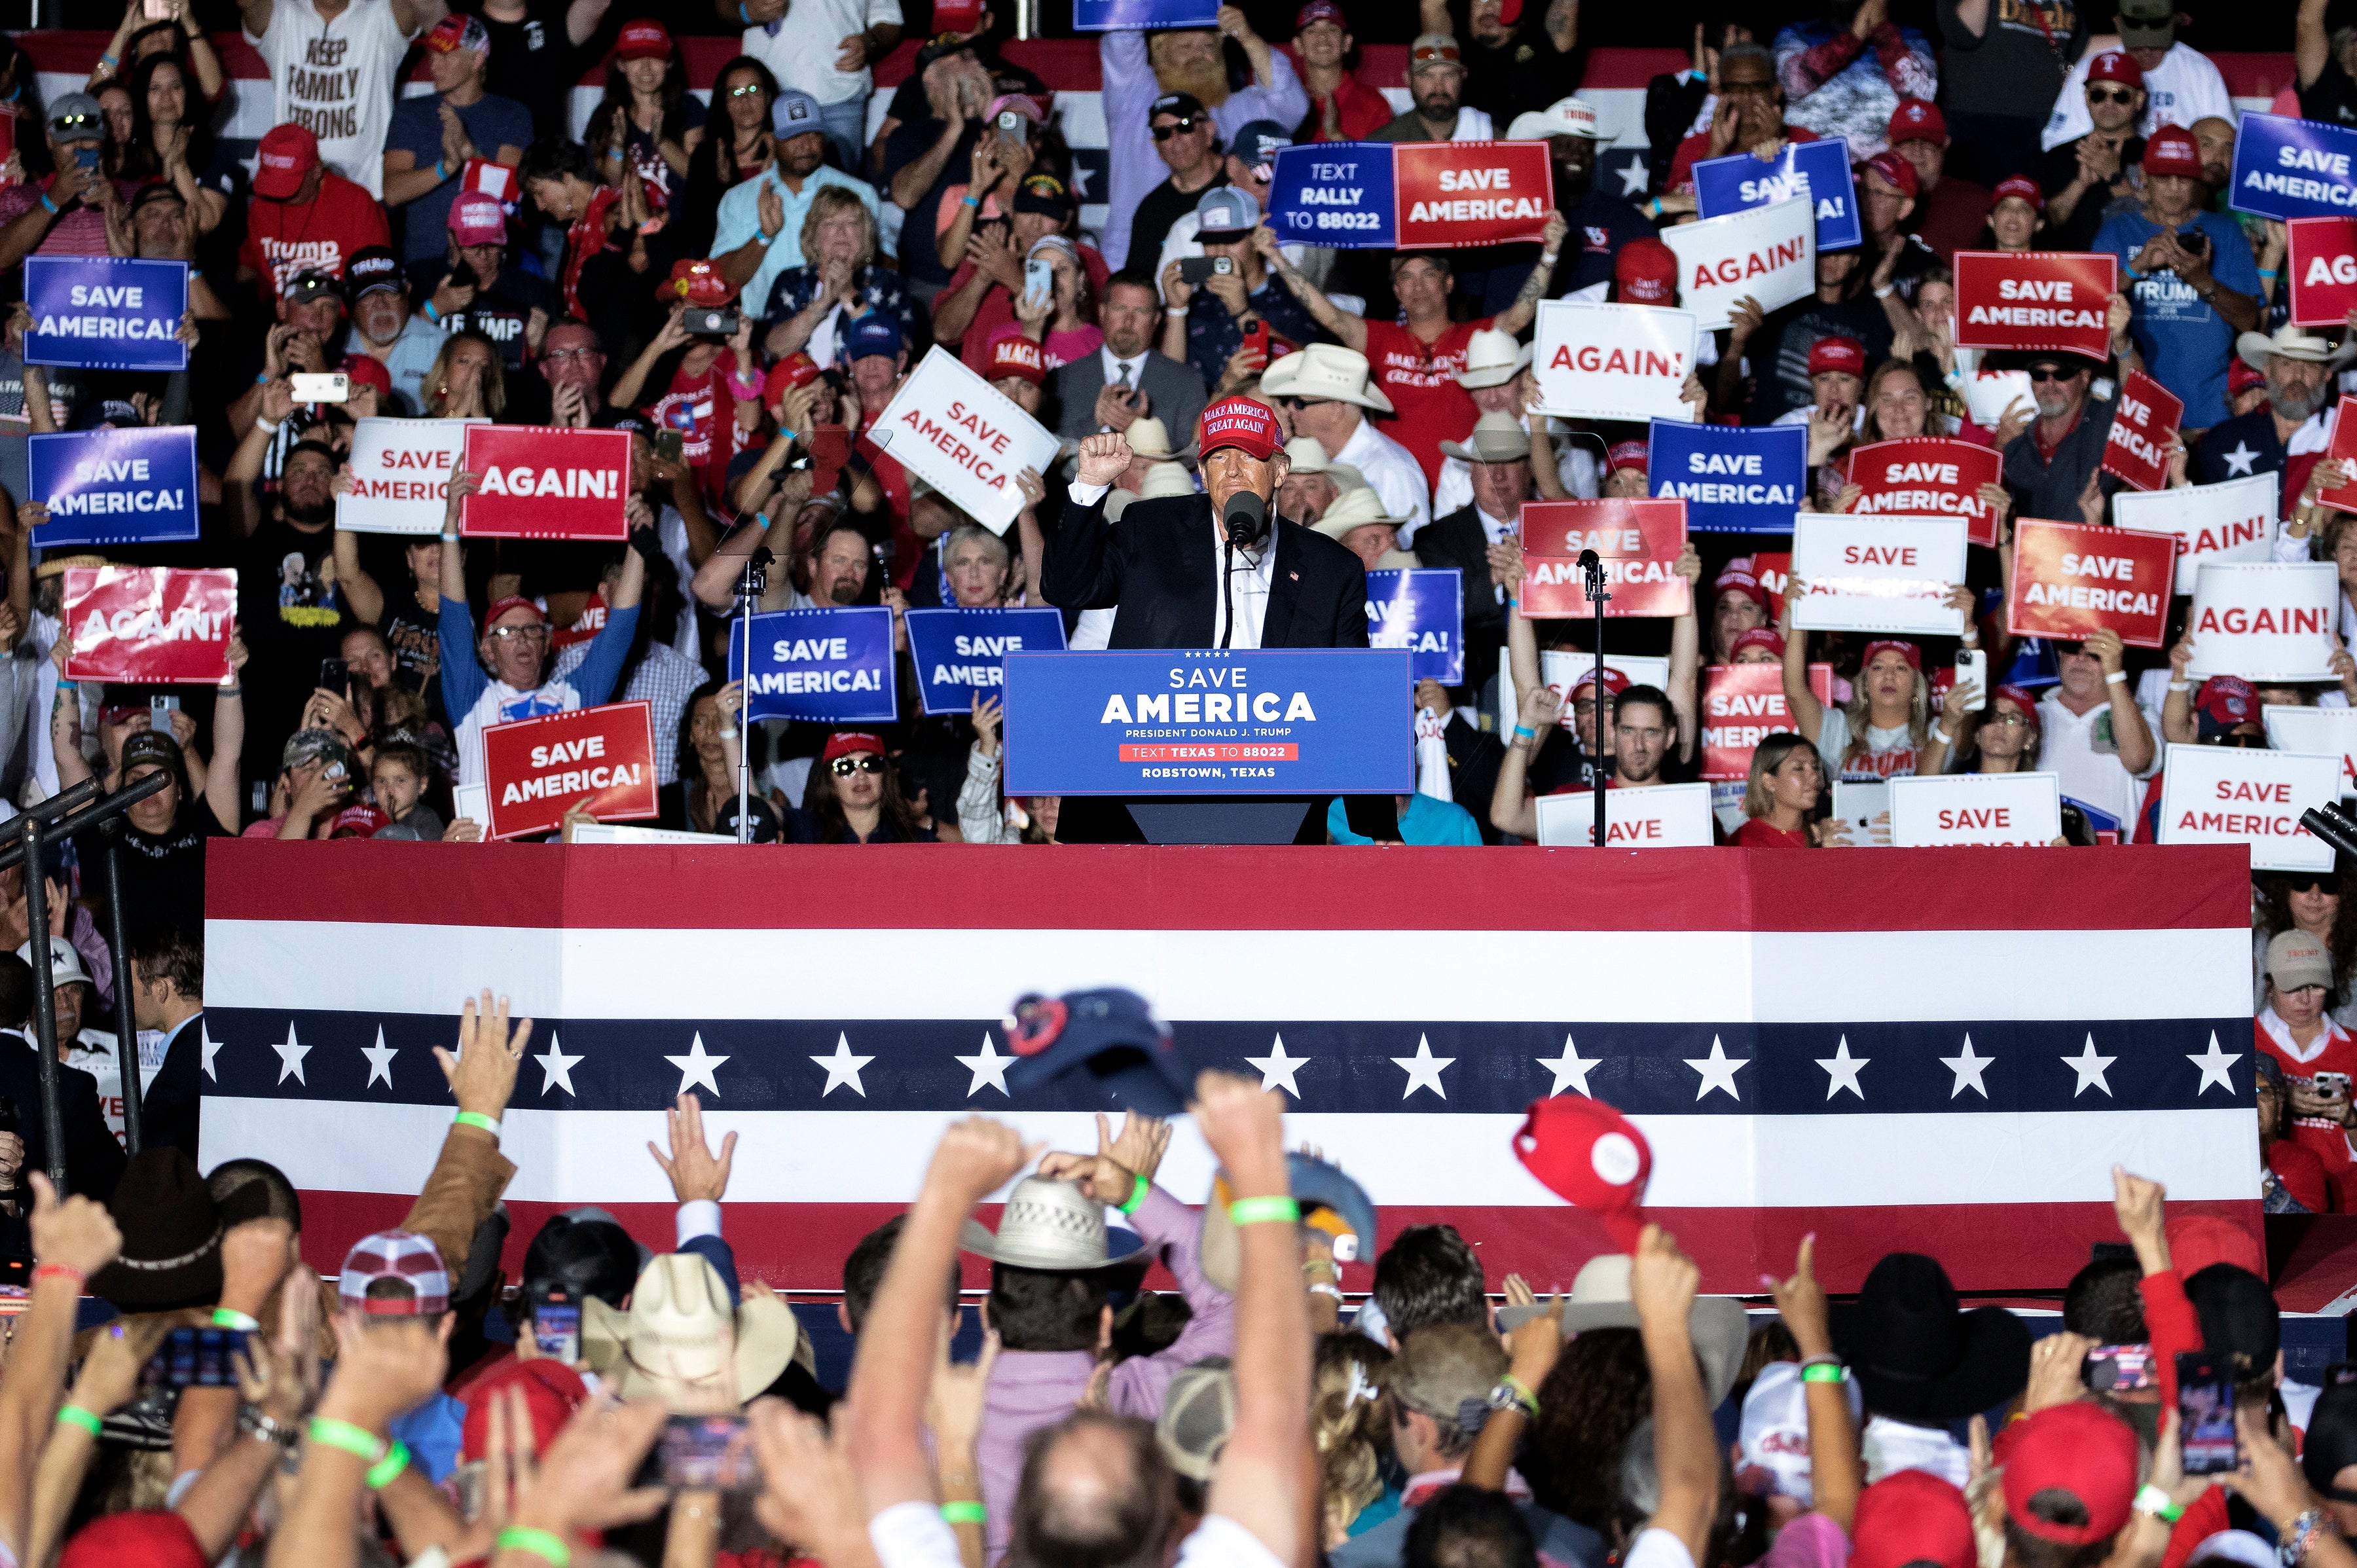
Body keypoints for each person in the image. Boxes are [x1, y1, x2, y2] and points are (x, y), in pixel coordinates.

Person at [1258, 217, 1563, 493]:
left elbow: (1520, 316)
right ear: (1396, 291)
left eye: (1428, 274)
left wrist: (1549, 256)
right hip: (1392, 486)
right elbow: (1329, 316)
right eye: (1406, 277)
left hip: (1464, 487)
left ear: (1448, 283)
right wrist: (1276, 257)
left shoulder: (1476, 339)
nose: (1418, 286)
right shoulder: (1379, 338)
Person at [1046, 399, 1368, 650]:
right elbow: (1066, 588)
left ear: (1281, 471)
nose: (1231, 471)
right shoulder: (1149, 532)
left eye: (1249, 458)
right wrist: (1088, 485)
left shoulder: (1332, 569)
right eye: (1218, 458)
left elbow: (1353, 688)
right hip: (1164, 731)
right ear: (1202, 472)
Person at [434, 471, 646, 789]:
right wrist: (451, 524)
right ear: (488, 650)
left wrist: (640, 542)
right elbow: (453, 617)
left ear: (547, 643)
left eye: (532, 630)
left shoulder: (574, 696)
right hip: (487, 839)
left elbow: (621, 627)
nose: (521, 638)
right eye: (507, 632)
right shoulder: (474, 700)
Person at [1099, 7, 1308, 270]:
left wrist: (1247, 38)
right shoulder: (1133, 99)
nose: (1199, 54)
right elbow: (1121, 30)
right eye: (1186, 46)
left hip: (1222, 263)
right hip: (1131, 266)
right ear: (1160, 52)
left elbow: (1291, 106)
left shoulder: (1234, 110)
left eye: (1209, 46)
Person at [2094, 125, 2261, 433]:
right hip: (2136, 411)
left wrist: (2201, 280)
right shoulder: (2118, 231)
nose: (2173, 188)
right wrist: (2137, 267)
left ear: (2197, 181)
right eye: (2163, 178)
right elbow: (2086, 313)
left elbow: (2249, 320)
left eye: (2183, 178)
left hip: (2209, 415)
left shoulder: (2224, 232)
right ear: (2145, 176)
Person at [712, 91, 884, 342]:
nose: (805, 145)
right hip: (763, 333)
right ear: (771, 141)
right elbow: (723, 282)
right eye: (793, 136)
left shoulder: (859, 193)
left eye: (813, 134)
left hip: (842, 328)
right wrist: (763, 237)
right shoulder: (738, 199)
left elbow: (885, 268)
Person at [380, 14, 531, 269]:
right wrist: (448, 166)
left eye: (446, 56)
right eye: (432, 56)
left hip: (489, 268)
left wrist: (468, 152)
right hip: (422, 264)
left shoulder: (511, 115)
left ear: (477, 59)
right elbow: (392, 192)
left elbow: (507, 201)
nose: (434, 66)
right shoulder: (411, 112)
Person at [237, 0, 428, 198]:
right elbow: (249, 5)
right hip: (287, 185)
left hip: (363, 190)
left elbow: (415, 5)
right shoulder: (284, 11)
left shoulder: (379, 12)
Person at [1157, 188, 1324, 399]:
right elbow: (1171, 390)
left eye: (1231, 240)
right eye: (1210, 241)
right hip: (1211, 424)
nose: (1220, 252)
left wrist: (1242, 311)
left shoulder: (1291, 296)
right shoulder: (1197, 302)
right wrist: (1177, 311)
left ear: (1256, 239)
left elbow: (1311, 371)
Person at [1259, 346, 1431, 544]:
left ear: (1335, 411)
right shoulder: (1306, 453)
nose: (1289, 410)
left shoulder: (1391, 469)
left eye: (1299, 402)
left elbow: (1409, 549)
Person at [2039, 0, 2232, 156]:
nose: (2147, 51)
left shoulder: (2200, 70)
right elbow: (2056, 141)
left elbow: (2225, 141)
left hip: (2176, 177)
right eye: (2137, 47)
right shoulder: (2093, 68)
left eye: (2156, 45)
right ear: (2118, 25)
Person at [1053, 270, 1210, 448]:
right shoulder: (1064, 379)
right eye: (1120, 309)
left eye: (1141, 311)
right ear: (1102, 312)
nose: (1128, 321)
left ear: (1156, 319)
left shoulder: (1187, 382)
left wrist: (1142, 432)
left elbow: (1189, 457)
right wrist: (1095, 422)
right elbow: (1055, 451)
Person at [1935, 0, 2084, 186]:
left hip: (2046, 127)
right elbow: (1964, 33)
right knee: (1977, 207)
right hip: (1980, 124)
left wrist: (2130, 41)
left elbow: (2079, 48)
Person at [237, 121, 392, 297]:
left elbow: (376, 281)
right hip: (282, 317)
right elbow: (249, 266)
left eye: (287, 186)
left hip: (339, 318)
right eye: (272, 185)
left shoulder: (356, 203)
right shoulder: (261, 205)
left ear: (317, 171)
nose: (279, 195)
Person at [1770, 0, 1937, 158]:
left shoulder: (1910, 38)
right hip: (1811, 168)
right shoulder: (1796, 33)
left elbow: (1921, 97)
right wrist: (1853, 38)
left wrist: (1883, 32)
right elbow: (1791, 82)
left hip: (1884, 177)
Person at [2195, 324, 2345, 490]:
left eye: (2311, 365)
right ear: (2267, 371)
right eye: (2287, 363)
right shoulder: (2224, 439)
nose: (2298, 375)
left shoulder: (2344, 431)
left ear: (2327, 375)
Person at [126, 925, 206, 1161]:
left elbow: (161, 1183)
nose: (121, 999)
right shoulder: (228, 1044)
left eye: (129, 988)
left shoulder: (173, 1087)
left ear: (159, 990)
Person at [1886, 101, 1988, 263]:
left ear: (1945, 144)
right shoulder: (1867, 199)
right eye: (1908, 141)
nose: (1917, 151)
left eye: (1928, 142)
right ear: (1890, 144)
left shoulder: (1977, 203)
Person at [1294, 0, 1391, 143]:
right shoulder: (1283, 100)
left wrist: (1336, 136)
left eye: (1332, 29)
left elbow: (1379, 163)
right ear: (1298, 45)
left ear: (1347, 43)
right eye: (1311, 31)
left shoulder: (1374, 105)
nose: (1322, 37)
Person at [1370, 35, 1495, 145]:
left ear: (1463, 75)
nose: (1439, 87)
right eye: (1427, 76)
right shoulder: (1385, 144)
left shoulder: (1488, 136)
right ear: (1408, 78)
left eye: (1449, 75)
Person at [1733, 733, 1838, 847]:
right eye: (1799, 768)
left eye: (1816, 767)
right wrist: (1824, 854)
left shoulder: (1820, 833)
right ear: (1769, 781)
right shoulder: (1748, 841)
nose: (1814, 776)